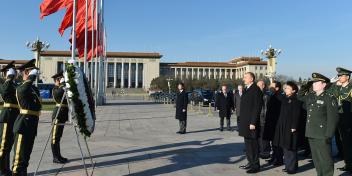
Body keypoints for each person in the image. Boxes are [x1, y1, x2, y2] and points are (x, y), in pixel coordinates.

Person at [298, 73, 339, 176]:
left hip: (322, 134)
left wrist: (329, 135)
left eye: (316, 82)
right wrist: (305, 85)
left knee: (325, 159)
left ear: (324, 84)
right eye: (313, 83)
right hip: (311, 132)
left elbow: (333, 118)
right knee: (316, 159)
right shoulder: (311, 96)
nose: (314, 84)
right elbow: (299, 96)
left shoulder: (329, 98)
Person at [12, 59, 42, 176]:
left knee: (26, 157)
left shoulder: (33, 89)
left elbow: (37, 105)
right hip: (23, 125)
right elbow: (23, 90)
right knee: (19, 158)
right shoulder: (21, 87)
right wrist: (31, 77)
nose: (35, 74)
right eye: (32, 71)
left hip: (31, 125)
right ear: (26, 72)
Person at [273, 81, 302, 174]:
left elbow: (296, 115)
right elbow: (277, 95)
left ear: (293, 90)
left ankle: (292, 168)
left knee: (291, 147)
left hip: (290, 126)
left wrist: (294, 126)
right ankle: (288, 165)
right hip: (283, 126)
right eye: (285, 88)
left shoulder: (296, 101)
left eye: (288, 88)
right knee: (285, 146)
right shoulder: (285, 99)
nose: (285, 89)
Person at [238, 72, 263, 174]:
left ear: (251, 79)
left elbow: (257, 107)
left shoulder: (256, 90)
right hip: (245, 122)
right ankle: (250, 162)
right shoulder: (247, 89)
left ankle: (255, 165)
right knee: (248, 145)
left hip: (251, 123)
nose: (243, 79)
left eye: (245, 77)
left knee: (253, 145)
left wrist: (253, 122)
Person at [329, 67, 352, 172]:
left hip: (348, 119)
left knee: (349, 142)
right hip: (338, 117)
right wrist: (334, 85)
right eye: (338, 75)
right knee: (342, 141)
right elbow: (329, 94)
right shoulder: (337, 87)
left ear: (347, 77)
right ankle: (347, 163)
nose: (339, 77)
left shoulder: (351, 88)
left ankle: (350, 165)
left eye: (341, 76)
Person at [0, 61, 19, 176]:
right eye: (12, 72)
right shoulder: (6, 84)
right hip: (7, 117)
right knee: (3, 145)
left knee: (9, 145)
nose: (15, 73)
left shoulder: (14, 85)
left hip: (14, 117)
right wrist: (9, 78)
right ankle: (1, 170)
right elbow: (5, 91)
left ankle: (5, 169)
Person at [51, 71, 69, 164]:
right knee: (55, 137)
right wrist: (62, 84)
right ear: (57, 80)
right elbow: (58, 95)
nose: (62, 80)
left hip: (62, 115)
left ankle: (58, 155)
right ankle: (55, 157)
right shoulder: (55, 89)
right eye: (60, 79)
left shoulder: (63, 88)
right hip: (57, 114)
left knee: (58, 136)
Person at [264, 81, 283, 165]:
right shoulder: (272, 96)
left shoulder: (280, 97)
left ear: (277, 88)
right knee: (273, 143)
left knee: (277, 143)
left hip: (276, 123)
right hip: (271, 122)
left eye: (272, 87)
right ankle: (274, 157)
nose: (269, 88)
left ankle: (279, 160)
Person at [257, 80, 271, 159]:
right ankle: (260, 150)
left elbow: (265, 109)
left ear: (263, 86)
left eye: (260, 85)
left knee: (264, 138)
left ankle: (265, 152)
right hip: (257, 120)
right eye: (257, 85)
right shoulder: (258, 94)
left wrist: (264, 119)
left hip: (263, 120)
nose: (258, 86)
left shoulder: (265, 95)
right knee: (259, 137)